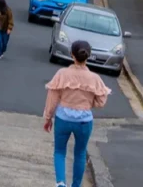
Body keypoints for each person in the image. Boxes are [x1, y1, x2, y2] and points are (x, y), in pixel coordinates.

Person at [44, 41, 111, 187]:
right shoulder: (94, 78)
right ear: (88, 56)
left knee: (60, 151)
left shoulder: (62, 74)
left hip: (63, 118)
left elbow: (52, 98)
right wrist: (88, 103)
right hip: (84, 121)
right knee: (80, 154)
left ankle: (61, 183)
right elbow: (101, 101)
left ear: (71, 55)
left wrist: (48, 118)